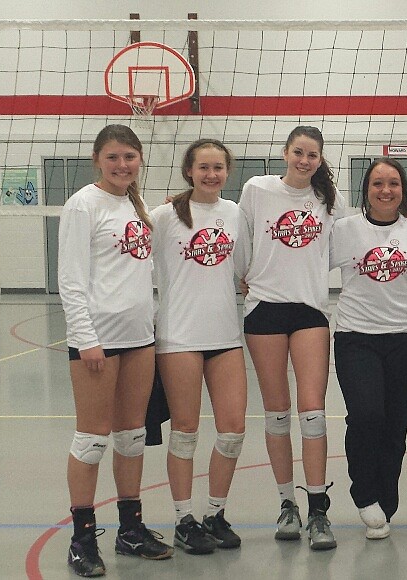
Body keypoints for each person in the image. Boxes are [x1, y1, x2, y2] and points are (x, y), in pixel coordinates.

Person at [58, 124, 173, 577]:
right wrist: (86, 339)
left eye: (130, 156)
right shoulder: (84, 205)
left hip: (139, 338)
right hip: (98, 342)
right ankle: (82, 539)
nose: (122, 164)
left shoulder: (135, 204)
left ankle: (130, 529)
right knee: (91, 440)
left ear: (139, 159)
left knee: (131, 437)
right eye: (113, 157)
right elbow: (70, 279)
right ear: (97, 160)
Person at [234, 126, 346, 551]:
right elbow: (237, 233)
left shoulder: (329, 201)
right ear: (285, 153)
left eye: (312, 155)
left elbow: (348, 244)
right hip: (264, 308)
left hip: (310, 310)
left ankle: (318, 508)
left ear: (320, 160)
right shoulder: (257, 189)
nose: (304, 160)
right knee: (277, 412)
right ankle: (287, 505)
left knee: (313, 413)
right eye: (298, 152)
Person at [150, 139, 248, 555]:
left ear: (228, 172)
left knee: (232, 430)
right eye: (203, 167)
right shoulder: (163, 217)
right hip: (179, 337)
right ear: (189, 171)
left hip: (225, 335)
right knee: (185, 432)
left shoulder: (236, 214)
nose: (211, 174)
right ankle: (183, 520)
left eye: (219, 167)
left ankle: (215, 514)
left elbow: (244, 267)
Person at [330, 158, 407, 540]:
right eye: (377, 184)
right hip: (357, 337)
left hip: (406, 338)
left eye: (393, 183)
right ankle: (364, 492)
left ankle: (386, 498)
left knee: (394, 427)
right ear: (366, 190)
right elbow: (304, 258)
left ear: (403, 189)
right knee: (366, 415)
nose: (385, 190)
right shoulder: (344, 230)